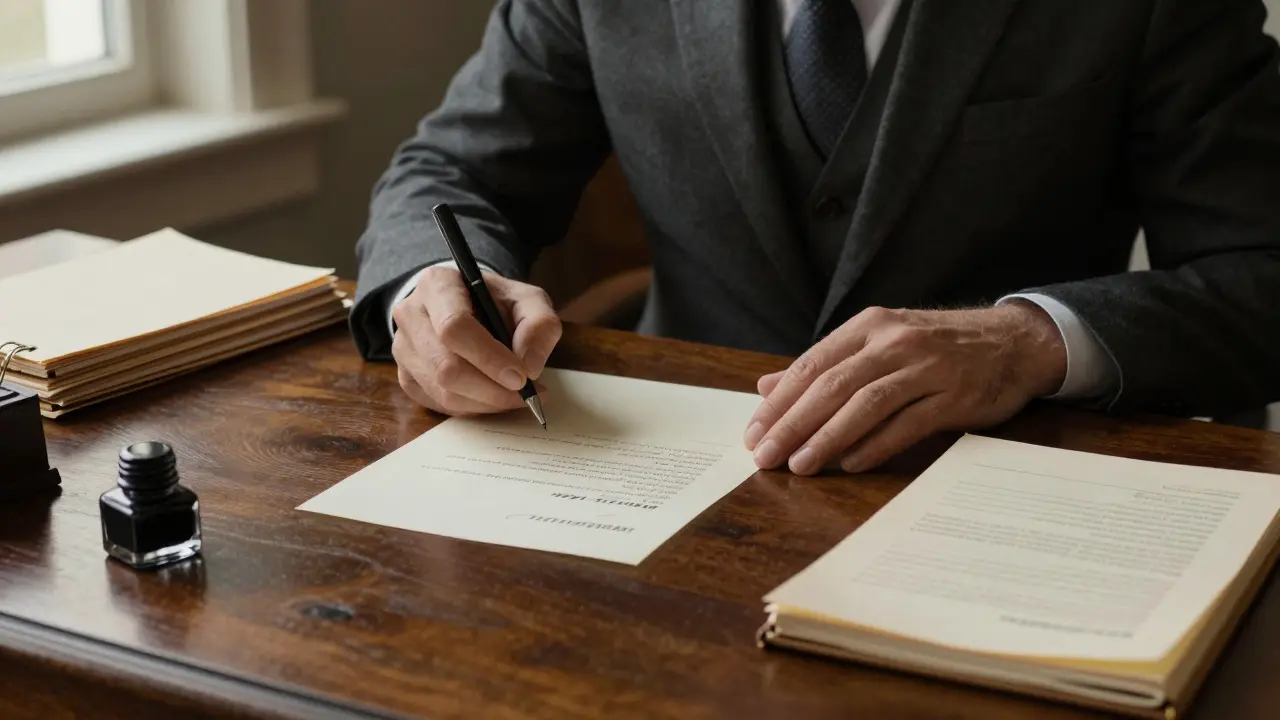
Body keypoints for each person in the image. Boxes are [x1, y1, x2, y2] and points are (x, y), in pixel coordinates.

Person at [351, 0, 1280, 476]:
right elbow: (450, 172)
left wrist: (1032, 342)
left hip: (1011, 518)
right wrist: (431, 286)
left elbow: (1262, 272)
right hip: (653, 507)